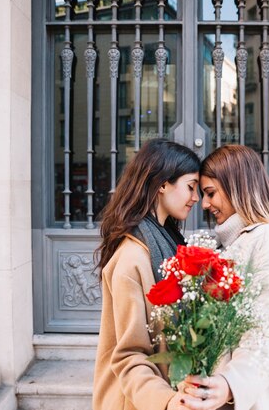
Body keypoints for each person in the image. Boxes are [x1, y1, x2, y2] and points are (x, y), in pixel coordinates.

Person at [180, 144, 269, 410]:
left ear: (237, 186)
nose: (204, 204)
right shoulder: (236, 242)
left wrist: (231, 383)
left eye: (211, 193)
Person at [92, 139, 202, 410]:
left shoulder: (167, 241)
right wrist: (166, 402)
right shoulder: (133, 258)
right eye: (190, 186)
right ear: (163, 183)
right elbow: (129, 355)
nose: (196, 198)